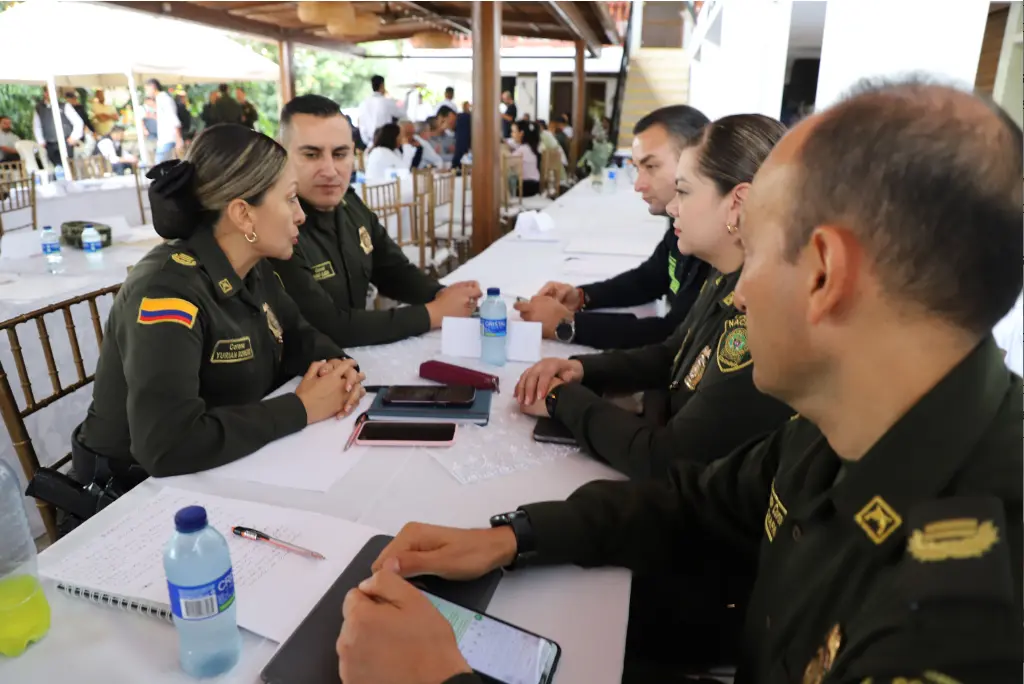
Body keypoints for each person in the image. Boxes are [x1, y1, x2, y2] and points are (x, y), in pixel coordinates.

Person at [335, 80, 1024, 684]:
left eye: (753, 252)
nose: (739, 294)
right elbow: (695, 501)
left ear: (824, 275)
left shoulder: (959, 613)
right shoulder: (851, 414)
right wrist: (511, 537)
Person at [75, 124, 363, 487]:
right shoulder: (167, 292)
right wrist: (302, 408)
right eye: (290, 198)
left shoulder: (252, 267)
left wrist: (338, 368)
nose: (301, 215)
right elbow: (166, 446)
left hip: (220, 468)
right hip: (132, 492)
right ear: (244, 214)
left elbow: (300, 336)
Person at [513, 114, 793, 481]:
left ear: (737, 203)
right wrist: (583, 369)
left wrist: (561, 399)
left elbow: (668, 458)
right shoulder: (727, 275)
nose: (674, 208)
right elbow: (673, 351)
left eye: (685, 191)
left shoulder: (758, 310)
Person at [273, 95, 481, 347]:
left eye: (340, 154)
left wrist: (442, 294)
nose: (329, 170)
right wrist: (434, 313)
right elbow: (331, 327)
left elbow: (392, 270)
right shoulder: (274, 226)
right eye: (311, 154)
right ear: (281, 154)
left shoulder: (351, 205)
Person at [516, 105, 712, 350]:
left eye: (651, 167)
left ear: (694, 162)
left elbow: (674, 336)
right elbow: (650, 278)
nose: (638, 185)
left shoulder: (715, 243)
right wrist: (582, 296)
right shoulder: (679, 223)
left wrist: (567, 324)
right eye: (637, 168)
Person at [32, 88, 83, 167]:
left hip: (65, 141)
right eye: (48, 92)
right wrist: (41, 141)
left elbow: (78, 122)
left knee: (68, 166)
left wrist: (74, 137)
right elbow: (37, 126)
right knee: (56, 167)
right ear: (45, 93)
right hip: (50, 143)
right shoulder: (39, 108)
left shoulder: (64, 106)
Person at [358, 75, 404, 149]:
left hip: (369, 143)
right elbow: (402, 112)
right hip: (385, 142)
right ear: (382, 85)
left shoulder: (363, 104)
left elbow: (362, 125)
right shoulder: (386, 102)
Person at [144, 79, 183, 163]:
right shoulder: (160, 99)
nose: (146, 92)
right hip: (166, 139)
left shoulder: (164, 99)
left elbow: (174, 119)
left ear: (153, 87)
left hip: (168, 139)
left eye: (147, 89)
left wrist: (178, 138)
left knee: (160, 167)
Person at [507, 119, 541, 197]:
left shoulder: (522, 150)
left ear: (521, 133)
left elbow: (507, 162)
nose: (511, 134)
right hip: (535, 185)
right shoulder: (530, 147)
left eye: (513, 132)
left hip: (526, 186)